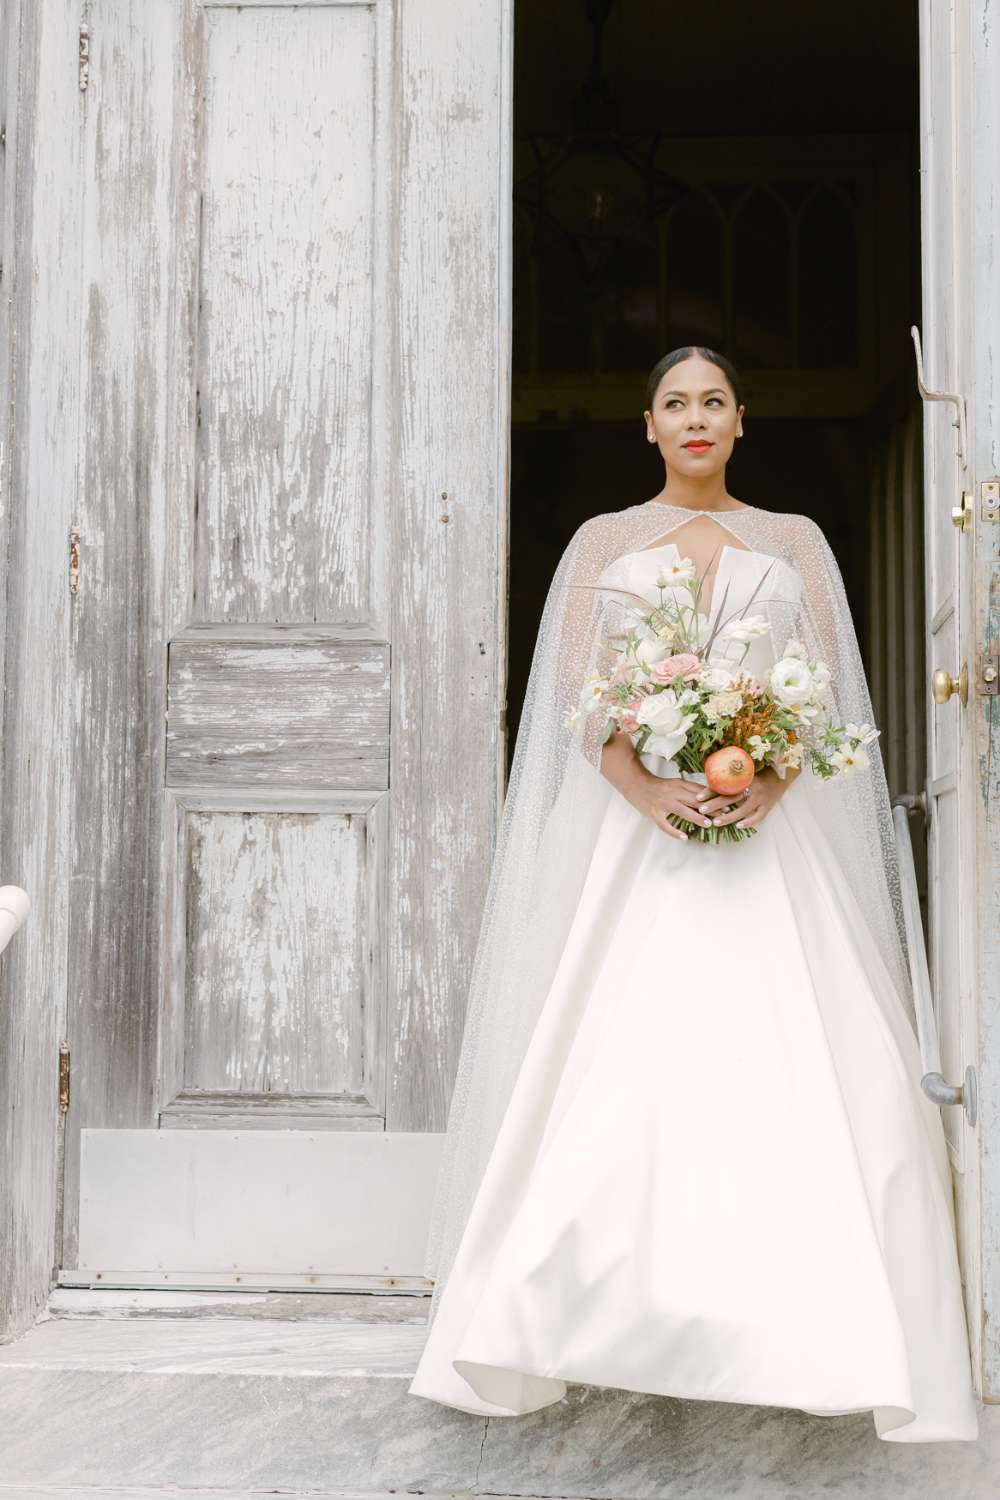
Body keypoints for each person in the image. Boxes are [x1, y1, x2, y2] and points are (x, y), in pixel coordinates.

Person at [407, 346, 980, 1442]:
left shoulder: (794, 542)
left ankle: (820, 1322)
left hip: (770, 842)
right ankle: (583, 1314)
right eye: (676, 404)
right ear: (649, 427)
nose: (695, 417)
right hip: (645, 839)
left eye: (713, 400)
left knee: (809, 1067)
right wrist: (647, 793)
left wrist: (765, 781)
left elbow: (821, 690)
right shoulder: (604, 544)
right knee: (619, 1071)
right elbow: (581, 701)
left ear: (740, 420)